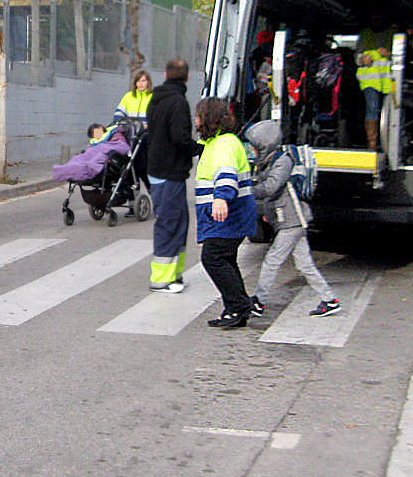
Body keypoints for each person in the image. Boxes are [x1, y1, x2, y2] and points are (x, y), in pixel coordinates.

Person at [244, 120, 341, 318]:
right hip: (289, 219)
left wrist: (246, 191)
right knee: (305, 264)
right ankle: (329, 300)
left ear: (265, 144)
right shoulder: (269, 161)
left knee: (272, 261)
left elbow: (271, 187)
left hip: (291, 220)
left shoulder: (282, 161)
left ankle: (259, 302)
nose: (252, 150)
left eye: (255, 146)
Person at [193, 97, 256, 329]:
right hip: (228, 215)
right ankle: (236, 308)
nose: (196, 120)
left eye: (199, 116)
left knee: (213, 258)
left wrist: (221, 197)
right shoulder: (218, 142)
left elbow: (226, 173)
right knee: (226, 259)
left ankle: (239, 305)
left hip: (228, 214)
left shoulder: (223, 144)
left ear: (208, 118)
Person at [144, 58, 202, 293]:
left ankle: (174, 275)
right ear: (186, 77)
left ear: (166, 75)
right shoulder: (178, 102)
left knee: (177, 222)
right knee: (170, 224)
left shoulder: (156, 99)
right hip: (170, 172)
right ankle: (161, 279)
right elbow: (180, 138)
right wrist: (199, 148)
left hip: (159, 170)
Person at [356, 12, 395, 150]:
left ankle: (388, 144)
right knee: (372, 109)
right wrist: (362, 60)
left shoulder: (392, 33)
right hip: (370, 82)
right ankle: (372, 143)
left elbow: (401, 55)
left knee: (390, 113)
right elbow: (357, 57)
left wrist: (389, 54)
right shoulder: (365, 34)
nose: (376, 21)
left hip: (388, 82)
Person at [114, 68, 153, 189]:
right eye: (138, 81)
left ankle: (152, 194)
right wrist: (118, 124)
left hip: (145, 138)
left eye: (143, 81)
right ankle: (132, 199)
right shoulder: (128, 97)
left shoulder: (152, 97)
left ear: (148, 82)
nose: (141, 84)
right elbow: (119, 113)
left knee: (143, 167)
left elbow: (156, 116)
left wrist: (148, 125)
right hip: (130, 137)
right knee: (129, 167)